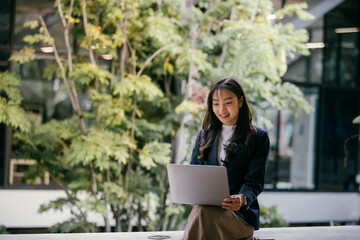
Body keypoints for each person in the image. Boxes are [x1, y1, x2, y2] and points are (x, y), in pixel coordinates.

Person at [182, 77, 270, 240]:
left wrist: (242, 198)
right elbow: (195, 174)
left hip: (240, 217)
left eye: (228, 102)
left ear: (240, 101)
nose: (221, 109)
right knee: (202, 211)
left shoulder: (259, 137)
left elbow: (255, 182)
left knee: (202, 213)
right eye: (216, 104)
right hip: (207, 212)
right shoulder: (204, 135)